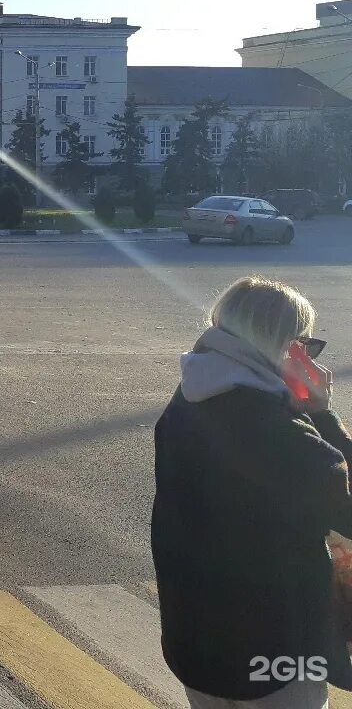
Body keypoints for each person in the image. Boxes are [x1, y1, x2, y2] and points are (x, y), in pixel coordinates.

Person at [152, 275, 352, 708]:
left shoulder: (187, 401)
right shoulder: (276, 429)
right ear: (288, 346)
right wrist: (324, 413)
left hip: (196, 641)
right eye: (307, 346)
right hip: (276, 652)